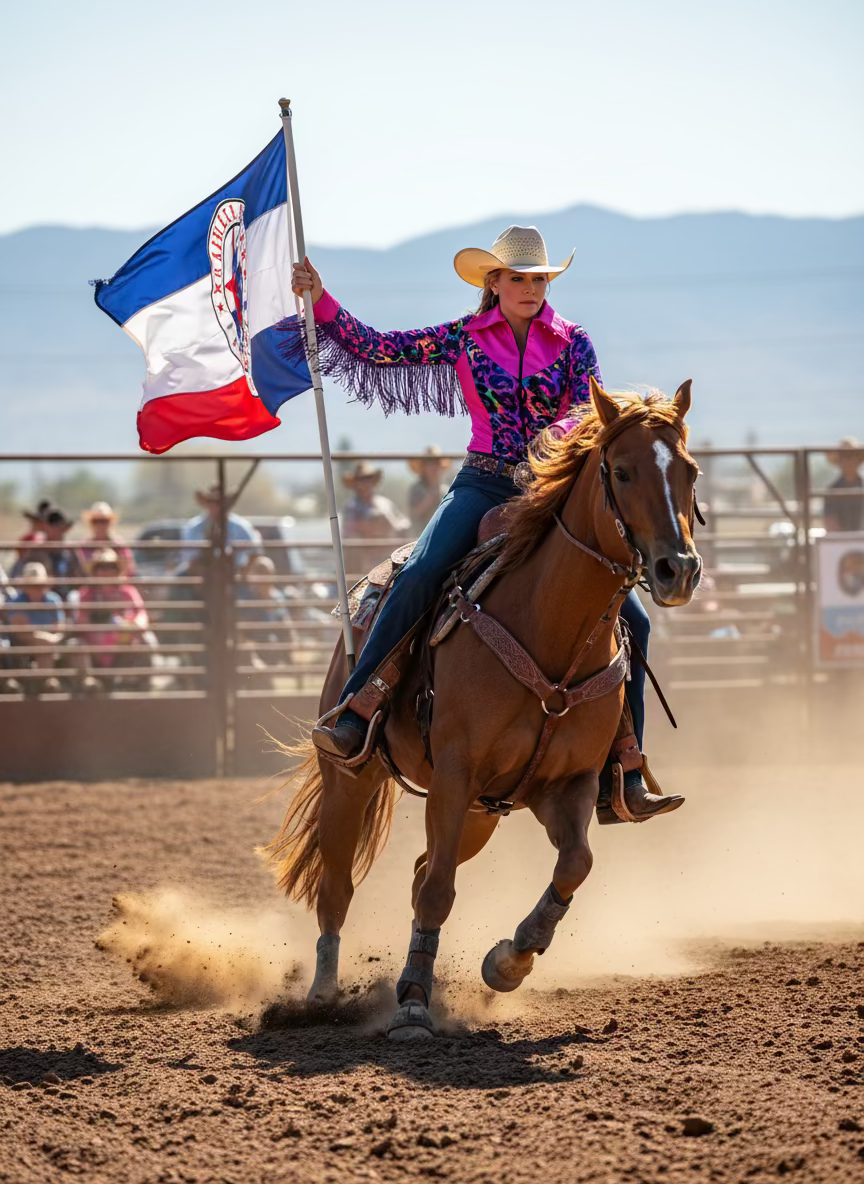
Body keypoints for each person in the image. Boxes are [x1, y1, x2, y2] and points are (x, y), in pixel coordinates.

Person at [290, 225, 670, 821]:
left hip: (553, 490)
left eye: (539, 278)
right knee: (418, 572)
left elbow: (584, 411)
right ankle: (358, 708)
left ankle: (625, 765)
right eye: (518, 278)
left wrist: (553, 450)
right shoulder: (465, 338)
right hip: (485, 480)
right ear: (493, 283)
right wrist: (321, 301)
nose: (530, 288)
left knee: (635, 620)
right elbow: (379, 348)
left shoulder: (574, 342)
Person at [70, 548, 156, 691]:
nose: (106, 572)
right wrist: (99, 627)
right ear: (95, 572)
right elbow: (81, 620)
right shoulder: (86, 594)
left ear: (117, 571)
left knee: (147, 640)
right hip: (94, 646)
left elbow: (141, 614)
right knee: (75, 644)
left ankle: (140, 684)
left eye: (110, 567)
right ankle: (88, 683)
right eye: (101, 568)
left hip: (122, 645)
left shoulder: (127, 591)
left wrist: (130, 625)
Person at [0, 561, 64, 693]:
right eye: (32, 585)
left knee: (46, 648)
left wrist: (52, 639)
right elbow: (21, 634)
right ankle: (41, 683)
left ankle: (46, 684)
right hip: (21, 644)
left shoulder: (53, 600)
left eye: (40, 585)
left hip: (49, 645)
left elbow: (59, 628)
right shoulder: (16, 601)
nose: (37, 588)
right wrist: (45, 638)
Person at [341, 462, 410, 578]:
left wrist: (386, 528)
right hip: (362, 560)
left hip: (387, 555)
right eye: (361, 479)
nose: (365, 483)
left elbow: (403, 525)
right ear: (355, 483)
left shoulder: (385, 504)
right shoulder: (351, 507)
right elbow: (348, 534)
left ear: (373, 481)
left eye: (368, 478)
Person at [178, 485, 262, 572]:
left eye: (219, 503)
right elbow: (190, 560)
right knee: (179, 579)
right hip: (201, 576)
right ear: (206, 503)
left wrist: (242, 575)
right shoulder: (194, 527)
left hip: (235, 575)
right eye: (211, 502)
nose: (216, 507)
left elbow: (255, 554)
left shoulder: (241, 527)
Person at [80, 501, 137, 577]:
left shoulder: (120, 545)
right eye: (96, 521)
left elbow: (129, 570)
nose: (99, 525)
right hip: (92, 585)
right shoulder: (84, 546)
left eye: (104, 521)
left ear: (110, 523)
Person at [407, 446, 451, 535]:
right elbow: (413, 514)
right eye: (430, 463)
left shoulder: (446, 490)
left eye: (436, 463)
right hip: (419, 534)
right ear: (424, 468)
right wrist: (429, 499)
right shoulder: (416, 489)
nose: (434, 467)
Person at [823, 437, 864, 533]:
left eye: (851, 456)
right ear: (839, 461)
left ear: (858, 460)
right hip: (842, 541)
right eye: (844, 457)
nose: (848, 461)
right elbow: (830, 519)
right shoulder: (832, 490)